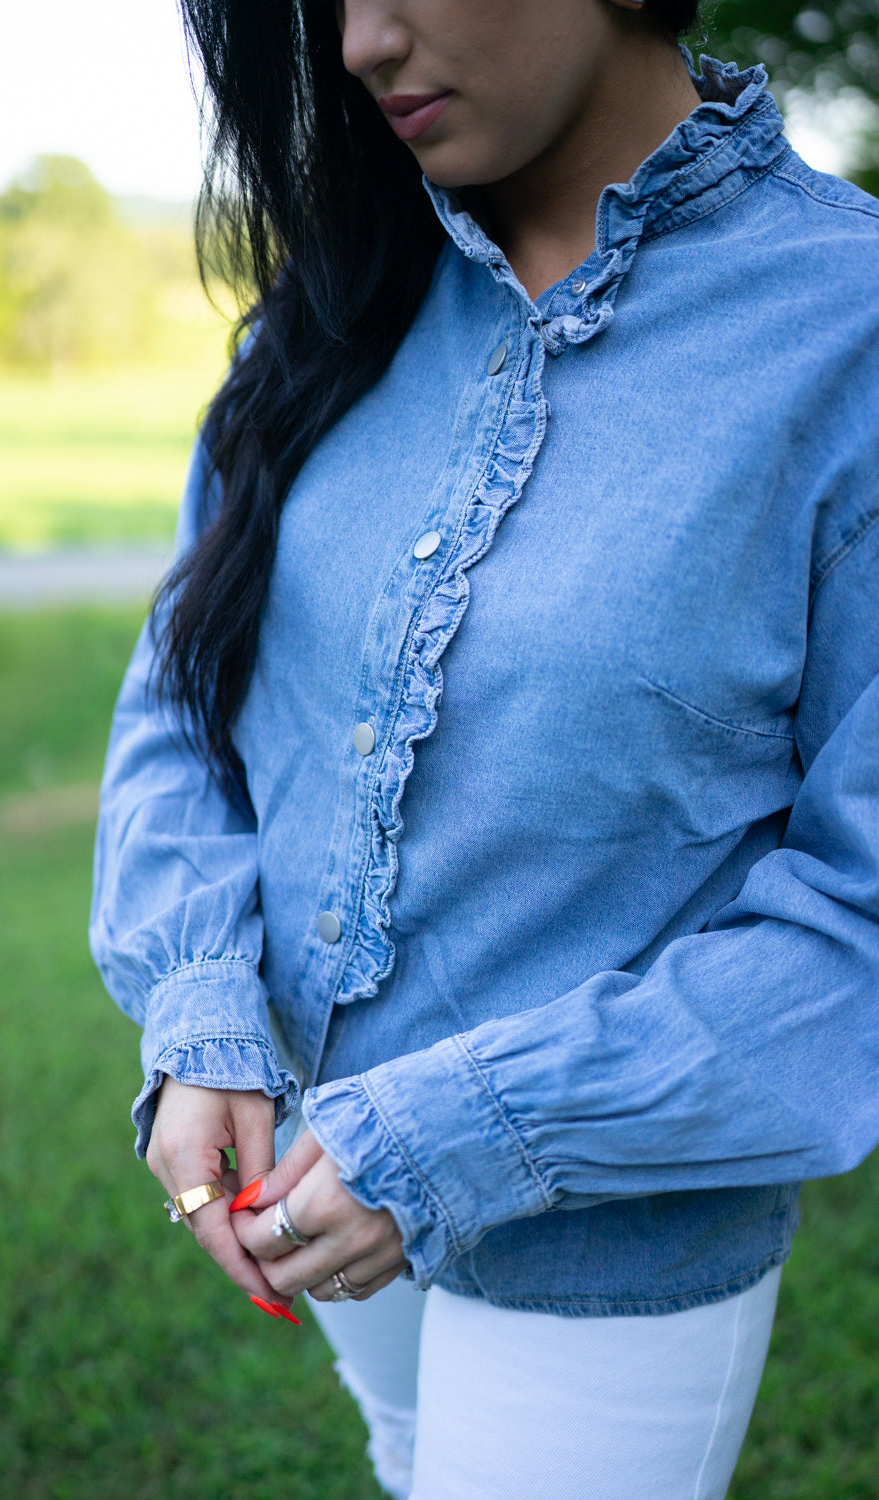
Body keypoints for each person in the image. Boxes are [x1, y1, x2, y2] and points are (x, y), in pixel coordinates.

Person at [89, 1, 879, 1495]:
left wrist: (453, 1134)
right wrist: (198, 1007)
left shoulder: (850, 332)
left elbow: (862, 919)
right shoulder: (329, 300)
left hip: (613, 1233)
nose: (359, 45)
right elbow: (189, 692)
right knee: (410, 1459)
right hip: (307, 1173)